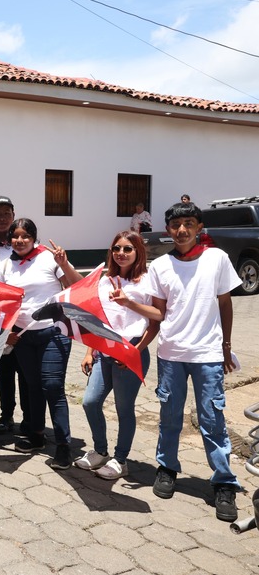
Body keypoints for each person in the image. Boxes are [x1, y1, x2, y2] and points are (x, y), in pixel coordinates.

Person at [144, 201, 242, 522]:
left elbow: (225, 304)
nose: (182, 230)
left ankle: (224, 482)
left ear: (200, 227)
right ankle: (167, 467)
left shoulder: (217, 258)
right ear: (168, 230)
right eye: (175, 225)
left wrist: (226, 346)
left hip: (208, 354)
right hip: (171, 354)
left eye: (188, 224)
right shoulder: (160, 266)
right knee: (170, 416)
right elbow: (158, 313)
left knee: (212, 419)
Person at [76, 231, 160, 480]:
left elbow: (156, 320)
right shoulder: (106, 280)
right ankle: (100, 451)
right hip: (104, 349)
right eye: (116, 248)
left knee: (124, 408)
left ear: (138, 252)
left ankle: (121, 460)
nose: (121, 253)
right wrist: (89, 351)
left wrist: (135, 351)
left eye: (127, 249)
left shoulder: (147, 282)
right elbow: (97, 319)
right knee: (90, 402)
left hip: (132, 349)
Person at [1, 218, 82, 470]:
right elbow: (4, 300)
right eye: (15, 236)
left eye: (26, 235)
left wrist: (64, 263)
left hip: (53, 332)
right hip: (24, 336)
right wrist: (8, 331)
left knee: (52, 387)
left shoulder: (49, 258)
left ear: (34, 238)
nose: (20, 240)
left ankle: (63, 445)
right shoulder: (6, 265)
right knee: (33, 386)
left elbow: (77, 285)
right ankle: (36, 435)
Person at [0, 195, 29, 436]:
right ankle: (6, 416)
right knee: (3, 371)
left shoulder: (21, 241)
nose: (2, 218)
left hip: (23, 319)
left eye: (6, 214)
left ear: (13, 215)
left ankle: (29, 419)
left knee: (24, 372)